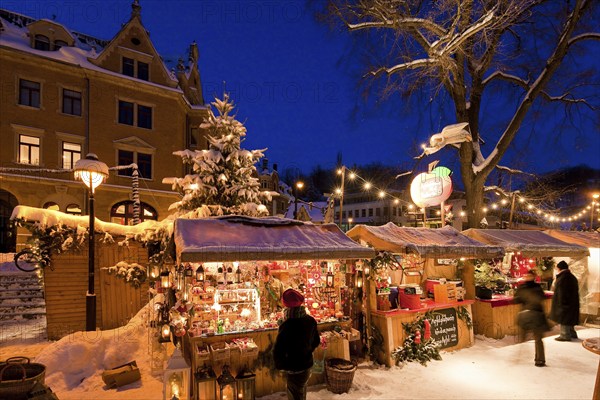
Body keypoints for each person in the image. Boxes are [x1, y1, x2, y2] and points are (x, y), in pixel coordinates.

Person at [273, 288, 320, 400]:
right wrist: (307, 350)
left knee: (295, 395)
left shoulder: (287, 325)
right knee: (300, 392)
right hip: (306, 364)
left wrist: (281, 364)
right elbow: (316, 341)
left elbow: (278, 349)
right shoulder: (310, 320)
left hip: (293, 367)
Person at [514, 269, 550, 367]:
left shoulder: (527, 287)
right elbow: (517, 299)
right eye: (527, 275)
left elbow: (517, 299)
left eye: (529, 276)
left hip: (534, 315)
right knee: (536, 338)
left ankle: (540, 360)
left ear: (533, 277)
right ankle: (538, 359)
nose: (527, 277)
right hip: (531, 315)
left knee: (538, 338)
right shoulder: (529, 287)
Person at [550, 260, 580, 341]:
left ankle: (565, 335)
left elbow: (561, 292)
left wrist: (561, 304)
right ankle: (572, 333)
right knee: (570, 318)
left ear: (559, 268)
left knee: (565, 318)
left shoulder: (563, 278)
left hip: (565, 303)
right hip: (572, 302)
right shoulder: (572, 277)